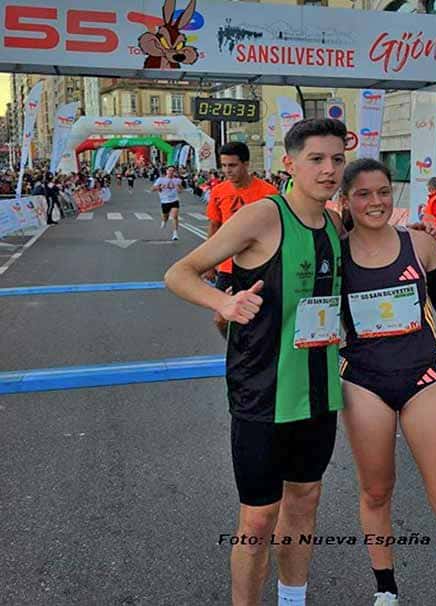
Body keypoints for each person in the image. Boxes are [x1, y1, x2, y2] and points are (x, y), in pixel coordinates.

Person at [165, 119, 349, 606]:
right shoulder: (264, 217)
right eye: (316, 159)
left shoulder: (334, 222)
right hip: (262, 393)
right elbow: (179, 273)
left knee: (305, 503)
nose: (329, 170)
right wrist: (223, 305)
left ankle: (293, 601)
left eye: (337, 159)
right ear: (290, 164)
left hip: (320, 391)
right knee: (259, 517)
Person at [339, 158, 436, 606]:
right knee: (376, 491)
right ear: (347, 200)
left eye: (384, 191)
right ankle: (386, 588)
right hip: (363, 381)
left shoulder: (420, 245)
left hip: (424, 377)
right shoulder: (335, 251)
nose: (376, 202)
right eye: (364, 194)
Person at [206, 142, 278, 332]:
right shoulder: (219, 191)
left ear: (246, 164)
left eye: (233, 165)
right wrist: (209, 263)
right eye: (224, 166)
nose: (227, 171)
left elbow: (276, 230)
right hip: (228, 267)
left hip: (259, 267)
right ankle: (237, 352)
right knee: (221, 320)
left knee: (258, 319)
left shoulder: (268, 192)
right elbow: (214, 225)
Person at [151, 165, 183, 241]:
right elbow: (152, 189)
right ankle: (164, 221)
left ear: (174, 172)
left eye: (172, 171)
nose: (171, 172)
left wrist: (179, 188)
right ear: (166, 171)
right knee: (165, 216)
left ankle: (175, 234)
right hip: (164, 201)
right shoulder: (161, 180)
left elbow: (181, 190)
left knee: (175, 216)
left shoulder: (177, 180)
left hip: (174, 200)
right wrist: (159, 187)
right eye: (169, 170)